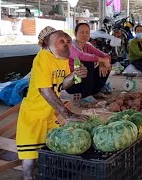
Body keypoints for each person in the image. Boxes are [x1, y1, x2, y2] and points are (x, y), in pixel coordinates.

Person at [16, 26, 89, 180]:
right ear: (46, 44)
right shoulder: (42, 58)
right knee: (29, 161)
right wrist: (67, 114)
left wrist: (75, 76)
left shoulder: (62, 59)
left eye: (67, 41)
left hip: (50, 114)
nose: (66, 44)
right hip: (33, 116)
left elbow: (61, 85)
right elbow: (45, 90)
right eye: (61, 41)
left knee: (56, 149)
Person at [66, 23, 111, 103]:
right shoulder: (70, 46)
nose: (85, 35)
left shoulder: (88, 46)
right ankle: (86, 95)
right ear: (75, 33)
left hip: (84, 82)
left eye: (87, 32)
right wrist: (102, 60)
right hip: (72, 83)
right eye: (82, 32)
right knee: (87, 62)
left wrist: (102, 63)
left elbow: (106, 55)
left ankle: (94, 92)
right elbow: (81, 56)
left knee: (107, 66)